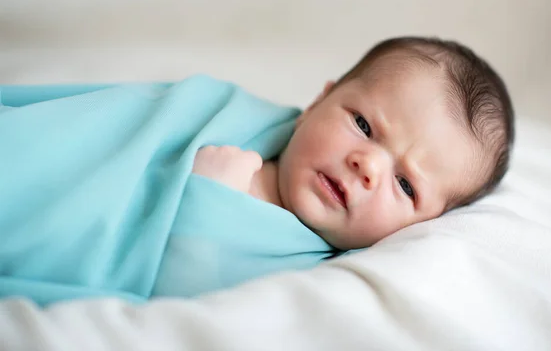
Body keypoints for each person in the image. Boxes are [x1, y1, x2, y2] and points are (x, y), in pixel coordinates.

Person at [0, 36, 514, 305]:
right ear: (320, 98)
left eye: (406, 185)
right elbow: (113, 124)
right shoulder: (222, 114)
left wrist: (210, 201)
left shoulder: (308, 273)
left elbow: (184, 310)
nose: (368, 165)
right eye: (363, 124)